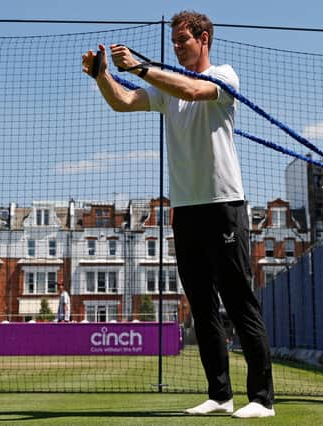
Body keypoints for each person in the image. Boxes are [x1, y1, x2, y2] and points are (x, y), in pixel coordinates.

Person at [82, 10, 275, 419]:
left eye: (182, 40)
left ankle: (261, 399)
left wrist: (140, 65)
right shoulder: (166, 86)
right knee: (201, 305)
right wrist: (103, 75)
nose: (176, 46)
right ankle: (220, 395)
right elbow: (124, 102)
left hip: (224, 205)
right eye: (173, 42)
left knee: (239, 303)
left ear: (204, 38)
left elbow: (191, 91)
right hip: (185, 210)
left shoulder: (223, 75)